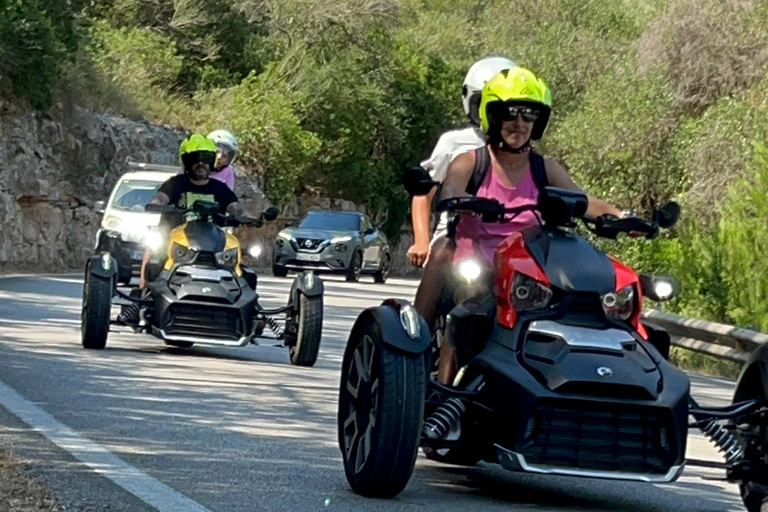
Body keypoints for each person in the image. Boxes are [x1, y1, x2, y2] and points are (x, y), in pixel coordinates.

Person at [414, 66, 634, 386]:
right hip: (475, 260)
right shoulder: (471, 162)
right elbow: (450, 190)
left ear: (538, 122)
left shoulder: (545, 168)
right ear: (493, 117)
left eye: (529, 115)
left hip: (528, 268)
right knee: (467, 311)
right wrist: (461, 199)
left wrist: (621, 215)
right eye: (510, 113)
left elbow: (584, 201)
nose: (519, 123)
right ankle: (425, 368)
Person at [407, 56, 517, 268]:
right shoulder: (454, 143)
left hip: (508, 239)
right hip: (454, 233)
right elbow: (424, 193)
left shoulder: (522, 152)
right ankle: (423, 303)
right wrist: (421, 241)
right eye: (484, 104)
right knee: (439, 261)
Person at [138, 134, 257, 290]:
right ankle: (143, 294)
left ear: (212, 161)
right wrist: (155, 204)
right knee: (154, 256)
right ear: (187, 162)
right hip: (175, 242)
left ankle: (242, 300)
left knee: (240, 269)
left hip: (213, 244)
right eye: (195, 159)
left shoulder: (220, 189)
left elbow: (235, 206)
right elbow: (161, 198)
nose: (201, 163)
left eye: (206, 159)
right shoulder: (175, 184)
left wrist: (249, 218)